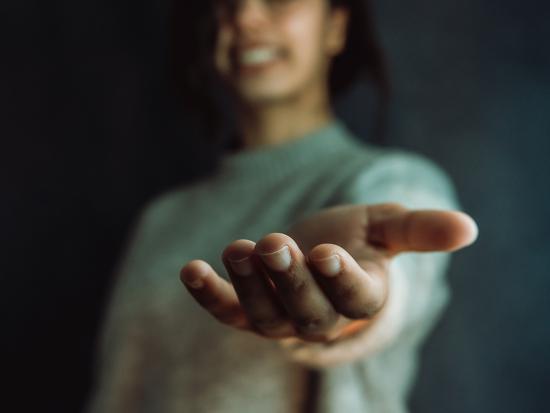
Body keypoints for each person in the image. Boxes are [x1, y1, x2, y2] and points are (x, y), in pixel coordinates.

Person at [85, 0, 479, 412]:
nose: (244, 17)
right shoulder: (162, 219)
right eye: (225, 5)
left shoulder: (391, 181)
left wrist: (356, 301)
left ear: (336, 27)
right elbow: (116, 393)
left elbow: (397, 281)